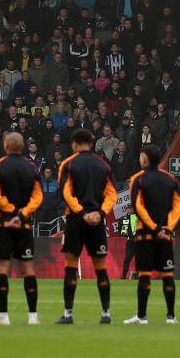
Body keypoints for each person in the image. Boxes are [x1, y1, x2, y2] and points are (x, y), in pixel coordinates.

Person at [56, 128, 117, 325]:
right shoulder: (103, 165)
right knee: (100, 267)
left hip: (75, 220)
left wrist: (82, 213)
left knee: (71, 266)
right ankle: (106, 313)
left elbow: (66, 193)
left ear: (74, 144)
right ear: (91, 143)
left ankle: (68, 313)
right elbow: (112, 194)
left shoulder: (68, 164)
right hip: (97, 221)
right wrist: (99, 213)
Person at [0, 132, 42, 326]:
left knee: (1, 269)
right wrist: (22, 214)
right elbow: (38, 197)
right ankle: (33, 316)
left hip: (3, 224)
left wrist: (11, 211)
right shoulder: (32, 167)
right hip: (24, 225)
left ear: (6, 145)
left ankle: (3, 316)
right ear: (23, 146)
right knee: (28, 269)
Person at [125, 144, 180, 325]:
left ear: (145, 158)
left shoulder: (137, 179)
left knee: (144, 275)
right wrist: (167, 228)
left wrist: (154, 228)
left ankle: (142, 316)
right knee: (168, 275)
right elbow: (178, 206)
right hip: (166, 235)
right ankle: (171, 316)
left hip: (145, 235)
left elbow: (138, 206)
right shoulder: (171, 179)